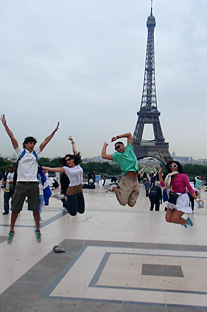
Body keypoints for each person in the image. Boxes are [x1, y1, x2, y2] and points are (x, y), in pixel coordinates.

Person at [1, 114, 59, 244]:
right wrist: (5, 125)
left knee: (35, 209)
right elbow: (12, 137)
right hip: (21, 184)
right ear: (25, 144)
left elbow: (45, 141)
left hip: (33, 184)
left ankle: (38, 229)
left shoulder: (35, 153)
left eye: (33, 143)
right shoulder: (19, 152)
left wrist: (54, 132)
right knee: (15, 208)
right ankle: (11, 230)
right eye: (30, 143)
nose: (32, 145)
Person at [43, 137, 85, 216]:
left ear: (73, 159)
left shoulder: (78, 165)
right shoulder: (66, 169)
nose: (68, 161)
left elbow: (75, 151)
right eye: (66, 160)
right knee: (73, 213)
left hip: (79, 190)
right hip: (71, 191)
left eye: (69, 159)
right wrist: (43, 167)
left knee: (81, 211)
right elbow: (53, 169)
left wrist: (72, 141)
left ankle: (64, 198)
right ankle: (64, 200)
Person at [158, 160, 203, 228]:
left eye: (174, 166)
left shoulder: (183, 176)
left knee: (174, 218)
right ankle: (183, 222)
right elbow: (162, 184)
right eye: (171, 166)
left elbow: (189, 188)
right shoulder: (169, 177)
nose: (172, 167)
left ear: (178, 167)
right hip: (173, 198)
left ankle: (187, 221)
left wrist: (196, 199)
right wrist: (159, 174)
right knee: (168, 219)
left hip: (181, 198)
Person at [101, 132, 139, 207]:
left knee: (132, 204)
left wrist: (117, 137)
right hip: (127, 180)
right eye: (116, 148)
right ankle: (114, 188)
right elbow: (103, 156)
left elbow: (129, 134)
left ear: (123, 145)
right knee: (123, 202)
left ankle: (127, 192)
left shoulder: (129, 148)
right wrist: (105, 145)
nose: (117, 149)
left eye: (118, 146)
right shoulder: (117, 155)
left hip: (135, 179)